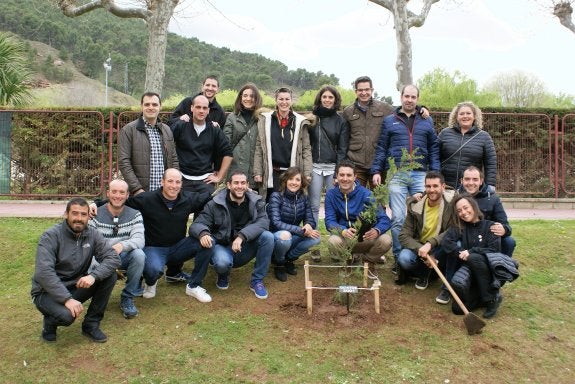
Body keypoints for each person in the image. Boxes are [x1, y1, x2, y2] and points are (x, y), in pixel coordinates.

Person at [94, 168, 210, 300]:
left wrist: (222, 185)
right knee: (153, 270)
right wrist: (95, 204)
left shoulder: (188, 198)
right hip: (154, 249)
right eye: (170, 181)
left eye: (177, 182)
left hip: (179, 247)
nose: (174, 185)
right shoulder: (147, 199)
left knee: (206, 243)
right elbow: (122, 200)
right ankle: (150, 282)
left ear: (181, 184)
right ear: (162, 182)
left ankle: (193, 286)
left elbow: (209, 199)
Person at [371, 84, 440, 272]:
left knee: (421, 216)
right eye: (406, 96)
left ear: (417, 99)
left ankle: (420, 254)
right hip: (396, 175)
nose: (409, 100)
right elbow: (382, 148)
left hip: (420, 175)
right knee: (399, 218)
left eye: (413, 97)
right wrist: (377, 170)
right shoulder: (389, 121)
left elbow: (433, 147)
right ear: (401, 97)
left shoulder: (426, 120)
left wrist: (435, 173)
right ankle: (399, 259)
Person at [31, 197, 120, 343]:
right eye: (75, 213)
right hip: (46, 291)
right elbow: (43, 272)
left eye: (83, 214)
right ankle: (50, 323)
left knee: (109, 275)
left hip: (76, 284)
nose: (79, 218)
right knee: (67, 317)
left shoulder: (93, 234)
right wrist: (66, 299)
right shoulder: (51, 236)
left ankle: (91, 325)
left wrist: (93, 276)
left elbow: (113, 258)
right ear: (66, 214)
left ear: (88, 216)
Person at [188, 170, 274, 301]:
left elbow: (263, 222)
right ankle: (223, 274)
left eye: (243, 183)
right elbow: (197, 224)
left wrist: (241, 236)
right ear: (228, 185)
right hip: (222, 246)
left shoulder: (256, 201)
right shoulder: (215, 203)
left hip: (244, 246)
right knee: (222, 263)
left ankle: (257, 281)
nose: (239, 186)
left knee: (268, 237)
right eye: (236, 183)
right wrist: (203, 233)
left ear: (247, 185)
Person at [442, 195, 516, 319]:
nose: (463, 213)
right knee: (457, 309)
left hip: (488, 270)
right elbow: (446, 242)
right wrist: (461, 252)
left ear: (474, 206)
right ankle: (483, 297)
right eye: (459, 211)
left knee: (474, 257)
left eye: (466, 208)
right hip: (471, 275)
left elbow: (494, 250)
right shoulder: (460, 227)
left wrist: (471, 251)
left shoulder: (490, 226)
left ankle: (491, 298)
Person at [324, 160, 392, 279]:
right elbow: (329, 221)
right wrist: (343, 230)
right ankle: (347, 261)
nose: (345, 179)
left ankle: (368, 262)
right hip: (345, 239)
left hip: (365, 239)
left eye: (349, 175)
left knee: (386, 240)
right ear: (337, 176)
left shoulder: (367, 194)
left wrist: (376, 230)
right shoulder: (331, 195)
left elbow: (384, 219)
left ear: (355, 176)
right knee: (332, 241)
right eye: (342, 175)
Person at [88, 179, 145, 319]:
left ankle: (127, 297)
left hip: (122, 256)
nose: (117, 196)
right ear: (108, 193)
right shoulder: (95, 214)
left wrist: (121, 245)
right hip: (100, 258)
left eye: (121, 192)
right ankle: (96, 294)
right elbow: (89, 242)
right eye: (114, 191)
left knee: (139, 255)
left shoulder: (135, 214)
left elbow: (139, 240)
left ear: (127, 195)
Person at [397, 171, 455, 304]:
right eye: (428, 186)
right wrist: (423, 249)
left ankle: (435, 276)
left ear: (443, 186)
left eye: (435, 186)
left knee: (454, 246)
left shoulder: (451, 204)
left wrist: (431, 244)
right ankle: (425, 272)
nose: (431, 190)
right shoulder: (416, 206)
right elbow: (403, 235)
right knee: (404, 259)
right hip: (420, 247)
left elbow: (453, 230)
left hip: (440, 246)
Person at [253, 87, 312, 200]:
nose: (284, 102)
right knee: (271, 204)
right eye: (281, 99)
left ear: (291, 100)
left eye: (287, 99)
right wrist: (258, 172)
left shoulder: (300, 122)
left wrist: (307, 173)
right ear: (276, 100)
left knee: (290, 205)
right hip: (272, 171)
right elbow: (259, 148)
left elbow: (306, 149)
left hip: (292, 172)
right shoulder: (266, 120)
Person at [171, 94, 233, 199]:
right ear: (192, 108)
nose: (201, 111)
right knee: (180, 213)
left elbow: (228, 153)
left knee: (205, 214)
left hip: (205, 182)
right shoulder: (181, 126)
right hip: (182, 180)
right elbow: (166, 144)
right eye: (198, 107)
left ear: (208, 110)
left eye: (204, 108)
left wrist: (219, 177)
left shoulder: (214, 130)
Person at [118, 92, 178, 194]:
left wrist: (174, 184)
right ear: (141, 106)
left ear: (160, 107)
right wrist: (137, 189)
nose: (151, 107)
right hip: (141, 193)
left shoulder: (167, 130)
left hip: (164, 193)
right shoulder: (128, 130)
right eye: (147, 104)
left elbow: (174, 159)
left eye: (154, 104)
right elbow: (124, 162)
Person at [267, 167, 321, 281]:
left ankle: (289, 259)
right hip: (276, 236)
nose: (294, 182)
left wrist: (308, 225)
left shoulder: (304, 198)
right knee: (285, 235)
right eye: (291, 179)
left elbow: (310, 219)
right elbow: (276, 223)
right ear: (285, 180)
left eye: (297, 180)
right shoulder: (276, 196)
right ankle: (279, 263)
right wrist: (300, 230)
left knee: (316, 238)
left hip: (293, 235)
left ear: (302, 183)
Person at [307, 85, 349, 225]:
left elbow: (343, 148)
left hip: (333, 168)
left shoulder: (341, 121)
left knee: (335, 204)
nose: (327, 100)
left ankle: (336, 236)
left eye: (330, 97)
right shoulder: (313, 119)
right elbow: (307, 145)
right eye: (324, 97)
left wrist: (339, 172)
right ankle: (313, 237)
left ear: (335, 100)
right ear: (320, 98)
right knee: (313, 204)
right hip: (315, 166)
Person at [342, 76, 394, 188]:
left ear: (372, 90)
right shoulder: (348, 111)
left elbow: (403, 112)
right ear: (356, 91)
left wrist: (421, 109)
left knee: (378, 199)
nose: (364, 93)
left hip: (377, 164)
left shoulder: (384, 108)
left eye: (367, 89)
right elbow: (344, 138)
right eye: (360, 90)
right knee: (355, 199)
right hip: (355, 163)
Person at [438, 101, 497, 190]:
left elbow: (491, 163)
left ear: (474, 116)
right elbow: (434, 156)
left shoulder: (484, 137)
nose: (465, 116)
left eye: (468, 113)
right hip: (446, 186)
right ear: (456, 117)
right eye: (461, 114)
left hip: (470, 188)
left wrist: (490, 185)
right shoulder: (445, 133)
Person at [459, 166, 515, 256]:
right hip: (464, 237)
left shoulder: (493, 198)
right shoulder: (455, 198)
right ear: (461, 181)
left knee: (509, 242)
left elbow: (506, 225)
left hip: (487, 238)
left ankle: (503, 267)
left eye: (475, 179)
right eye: (467, 179)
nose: (471, 183)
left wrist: (504, 229)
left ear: (481, 181)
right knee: (456, 243)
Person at [223, 83, 263, 189]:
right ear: (240, 98)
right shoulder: (232, 117)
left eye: (252, 96)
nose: (248, 99)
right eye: (245, 95)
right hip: (236, 169)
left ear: (257, 98)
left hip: (255, 171)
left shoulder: (262, 118)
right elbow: (226, 144)